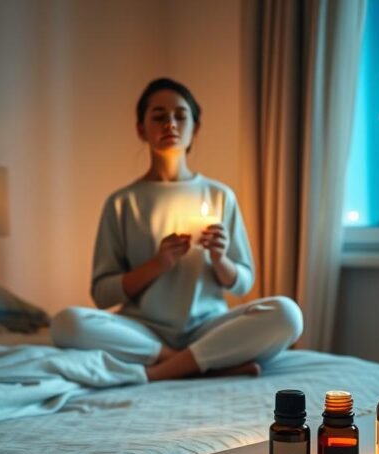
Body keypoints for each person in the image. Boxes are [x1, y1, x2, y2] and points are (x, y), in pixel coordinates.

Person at [51, 78, 303, 381]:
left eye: (180, 115)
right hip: (144, 332)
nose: (170, 123)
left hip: (207, 327)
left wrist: (220, 259)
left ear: (194, 127)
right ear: (140, 129)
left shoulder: (220, 195)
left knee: (288, 314)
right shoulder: (122, 203)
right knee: (66, 323)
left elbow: (243, 283)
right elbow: (103, 294)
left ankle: (164, 371)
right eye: (158, 116)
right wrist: (159, 264)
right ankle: (193, 364)